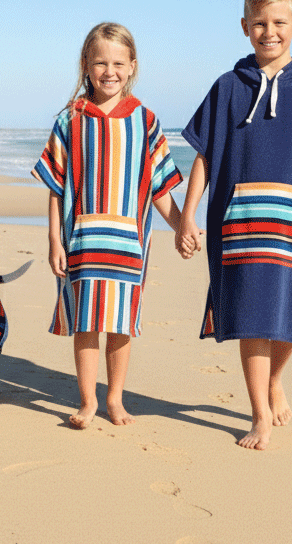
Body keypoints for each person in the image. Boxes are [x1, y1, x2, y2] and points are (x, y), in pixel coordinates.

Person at [176, 0, 292, 450]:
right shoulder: (226, 87)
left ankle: (276, 378)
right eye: (259, 23)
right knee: (250, 317)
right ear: (244, 26)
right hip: (238, 222)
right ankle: (258, 413)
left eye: (279, 22)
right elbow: (204, 156)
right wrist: (189, 215)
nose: (269, 31)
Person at [33, 22, 184, 428]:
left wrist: (184, 225)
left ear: (132, 66)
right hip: (80, 238)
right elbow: (55, 186)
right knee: (85, 323)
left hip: (128, 243)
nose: (109, 71)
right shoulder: (71, 120)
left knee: (120, 325)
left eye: (118, 62)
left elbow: (159, 189)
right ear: (85, 65)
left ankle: (115, 398)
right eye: (100, 62)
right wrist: (53, 239)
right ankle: (88, 401)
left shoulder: (146, 121)